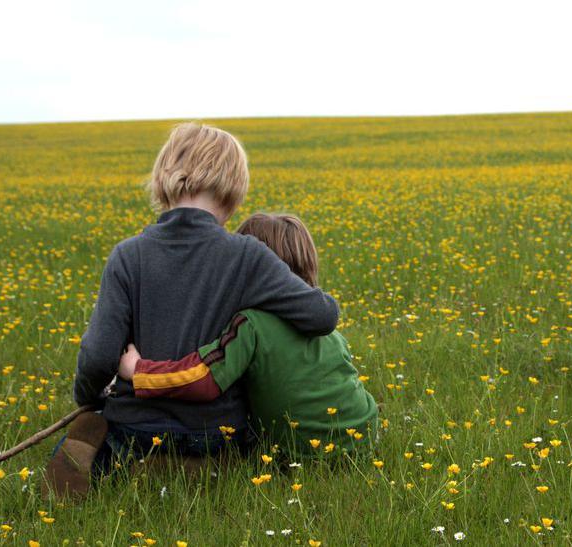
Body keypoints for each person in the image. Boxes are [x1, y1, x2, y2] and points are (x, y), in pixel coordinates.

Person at [46, 124, 340, 499]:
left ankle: (102, 458)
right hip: (215, 431)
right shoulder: (247, 256)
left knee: (103, 431)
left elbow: (99, 354)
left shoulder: (128, 255)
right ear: (235, 188)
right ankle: (195, 468)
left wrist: (89, 398)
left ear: (163, 178)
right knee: (248, 446)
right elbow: (323, 316)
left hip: (135, 425)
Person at [117, 214, 378, 461]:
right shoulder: (330, 332)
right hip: (364, 437)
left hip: (300, 454)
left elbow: (203, 378)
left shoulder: (251, 325)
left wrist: (139, 371)